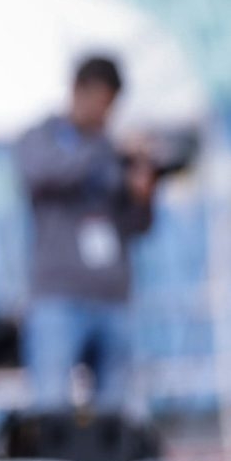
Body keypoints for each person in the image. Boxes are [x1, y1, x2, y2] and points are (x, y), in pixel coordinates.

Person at [15, 56, 157, 412]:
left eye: (110, 105)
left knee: (117, 415)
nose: (103, 113)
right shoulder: (43, 139)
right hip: (58, 298)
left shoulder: (112, 152)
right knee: (51, 409)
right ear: (78, 90)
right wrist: (105, 151)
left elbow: (138, 225)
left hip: (113, 299)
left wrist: (143, 193)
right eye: (100, 102)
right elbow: (45, 175)